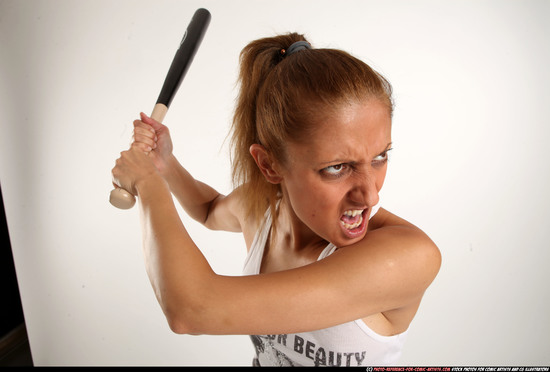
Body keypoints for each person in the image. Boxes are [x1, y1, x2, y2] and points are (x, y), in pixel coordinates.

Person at [111, 32, 441, 366]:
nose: (370, 194)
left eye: (380, 157)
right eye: (338, 167)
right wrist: (165, 165)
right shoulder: (262, 211)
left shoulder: (406, 256)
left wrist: (147, 183)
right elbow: (210, 210)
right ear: (269, 165)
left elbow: (192, 310)